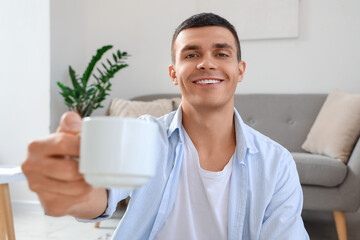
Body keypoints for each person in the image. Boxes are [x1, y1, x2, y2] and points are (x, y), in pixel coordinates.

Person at [22, 13, 309, 240]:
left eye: (221, 54)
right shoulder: (144, 136)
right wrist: (76, 193)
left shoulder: (277, 163)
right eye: (191, 54)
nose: (206, 63)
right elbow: (100, 196)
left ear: (239, 70)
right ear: (174, 73)